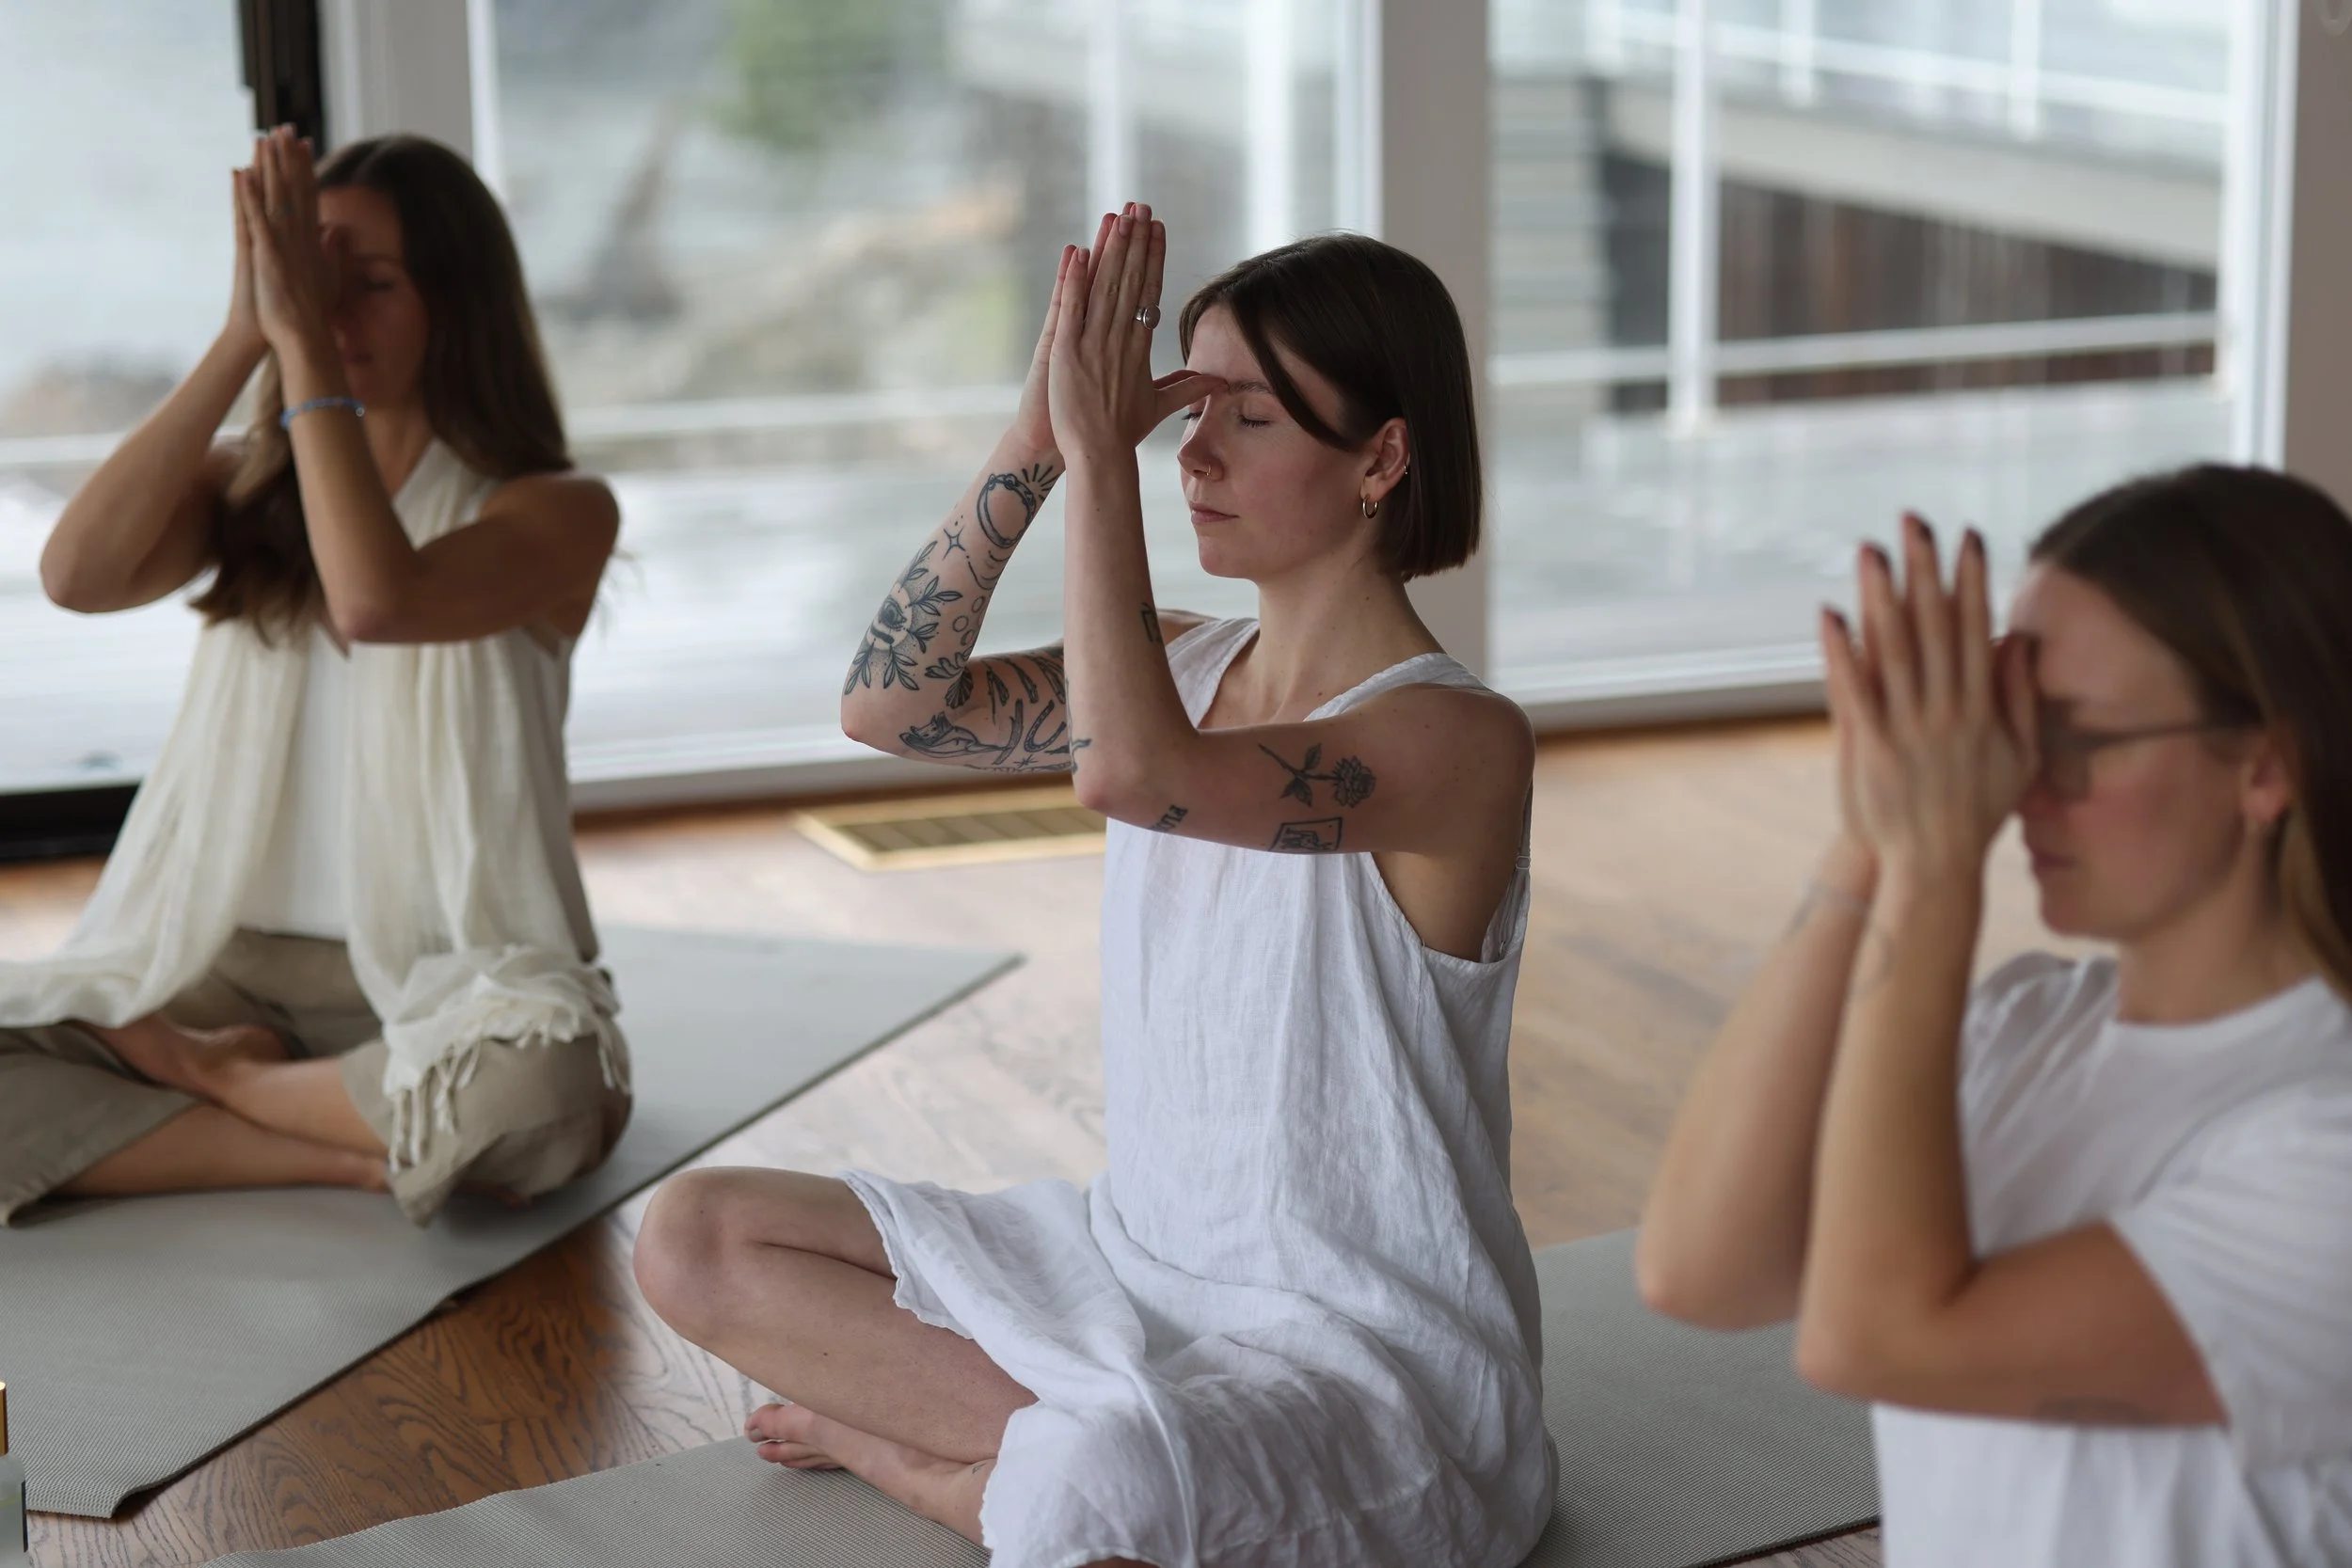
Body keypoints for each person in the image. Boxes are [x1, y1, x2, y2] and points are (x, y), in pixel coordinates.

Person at [630, 212, 1552, 1567]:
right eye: (1188, 407)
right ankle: (1041, 1463)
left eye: (1249, 416)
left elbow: (1133, 773)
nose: (1193, 451)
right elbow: (887, 705)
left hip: (1366, 1369)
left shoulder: (1456, 741)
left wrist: (1101, 461)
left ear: (1383, 457)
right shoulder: (1174, 663)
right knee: (696, 1235)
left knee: (1107, 1470)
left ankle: (936, 1463)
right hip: (1126, 1267)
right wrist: (1038, 440)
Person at [1637, 467, 2352, 1565]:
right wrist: (1874, 828)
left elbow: (1872, 1338)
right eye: (2008, 729)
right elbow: (1702, 1269)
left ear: (2266, 766)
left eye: (2070, 737)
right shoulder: (2016, 1025)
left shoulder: (2324, 1139)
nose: (2017, 787)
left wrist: (1932, 868)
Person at [0, 128, 629, 1227]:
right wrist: (244, 332)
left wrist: (301, 351)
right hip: (218, 971)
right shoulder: (239, 488)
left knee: (546, 1100)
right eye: (305, 279)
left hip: (456, 976)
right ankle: (346, 1148)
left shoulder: (557, 508)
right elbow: (73, 576)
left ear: (457, 302)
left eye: (368, 284)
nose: (329, 313)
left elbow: (377, 600)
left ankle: (225, 1089)